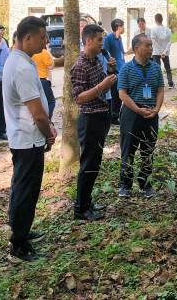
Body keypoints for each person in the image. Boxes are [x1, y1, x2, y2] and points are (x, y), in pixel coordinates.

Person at [2, 16, 56, 262]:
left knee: (22, 187)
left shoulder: (20, 60)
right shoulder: (22, 67)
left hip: (24, 138)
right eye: (42, 37)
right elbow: (36, 113)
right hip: (28, 139)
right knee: (26, 190)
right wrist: (49, 132)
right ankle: (19, 244)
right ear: (27, 38)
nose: (46, 41)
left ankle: (20, 229)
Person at [71, 24, 118, 220]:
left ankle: (87, 202)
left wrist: (109, 71)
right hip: (89, 119)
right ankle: (80, 208)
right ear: (88, 40)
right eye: (99, 40)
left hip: (102, 114)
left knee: (95, 163)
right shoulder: (80, 65)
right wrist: (102, 85)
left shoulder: (97, 61)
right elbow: (79, 98)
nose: (102, 44)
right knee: (88, 163)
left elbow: (104, 86)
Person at [117, 34, 165, 199]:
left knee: (148, 150)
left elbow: (160, 90)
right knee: (128, 149)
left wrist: (157, 109)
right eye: (148, 46)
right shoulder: (126, 68)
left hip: (151, 114)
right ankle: (125, 185)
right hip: (131, 114)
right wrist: (138, 109)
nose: (151, 49)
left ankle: (146, 184)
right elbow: (122, 94)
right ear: (137, 48)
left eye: (151, 46)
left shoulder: (156, 67)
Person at [103, 18, 125, 124]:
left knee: (121, 92)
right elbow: (105, 52)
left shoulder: (119, 38)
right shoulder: (109, 38)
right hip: (114, 71)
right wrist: (111, 65)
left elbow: (121, 53)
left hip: (122, 69)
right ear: (118, 27)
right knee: (115, 93)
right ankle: (113, 116)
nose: (124, 28)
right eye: (122, 26)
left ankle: (116, 114)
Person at [32, 35, 56, 117]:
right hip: (42, 80)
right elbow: (51, 66)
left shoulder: (31, 52)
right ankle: (47, 120)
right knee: (51, 101)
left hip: (32, 80)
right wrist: (50, 55)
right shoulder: (44, 52)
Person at [149, 13, 174, 88]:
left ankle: (159, 85)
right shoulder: (168, 30)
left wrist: (160, 52)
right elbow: (170, 42)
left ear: (155, 20)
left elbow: (154, 42)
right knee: (168, 68)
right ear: (162, 19)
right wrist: (164, 52)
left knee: (157, 69)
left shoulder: (153, 30)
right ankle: (170, 83)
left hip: (156, 52)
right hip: (165, 53)